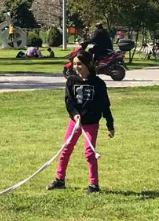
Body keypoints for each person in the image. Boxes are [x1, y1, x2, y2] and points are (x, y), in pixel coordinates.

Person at [46, 50, 115, 195]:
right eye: (74, 64)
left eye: (79, 64)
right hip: (75, 122)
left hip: (91, 124)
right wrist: (75, 115)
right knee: (66, 149)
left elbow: (105, 105)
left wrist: (110, 124)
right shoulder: (71, 81)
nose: (76, 67)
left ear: (88, 64)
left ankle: (94, 184)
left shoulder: (98, 84)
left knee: (90, 153)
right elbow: (68, 101)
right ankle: (59, 179)